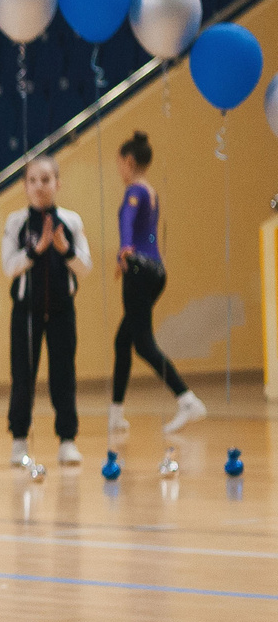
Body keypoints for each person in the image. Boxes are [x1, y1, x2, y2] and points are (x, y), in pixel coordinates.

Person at [110, 129, 210, 436]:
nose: (119, 169)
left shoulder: (134, 192)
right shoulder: (151, 191)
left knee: (142, 342)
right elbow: (148, 234)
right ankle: (116, 414)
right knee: (123, 340)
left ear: (128, 161)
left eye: (119, 163)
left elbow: (128, 220)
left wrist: (125, 248)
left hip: (139, 270)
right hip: (155, 271)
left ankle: (187, 399)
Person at [1, 154, 90, 466]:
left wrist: (65, 250)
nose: (39, 186)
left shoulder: (72, 221)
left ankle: (67, 439)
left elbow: (85, 267)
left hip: (63, 312)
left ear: (57, 183)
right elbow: (9, 266)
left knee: (64, 376)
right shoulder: (16, 222)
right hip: (26, 313)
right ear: (25, 186)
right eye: (33, 180)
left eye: (46, 180)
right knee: (23, 376)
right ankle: (19, 440)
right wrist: (35, 251)